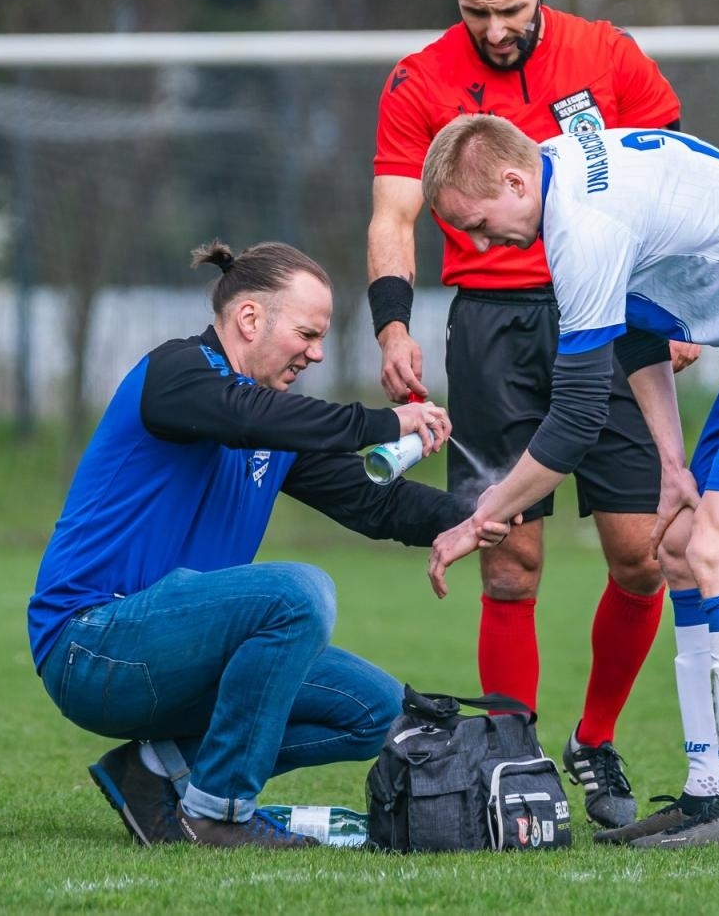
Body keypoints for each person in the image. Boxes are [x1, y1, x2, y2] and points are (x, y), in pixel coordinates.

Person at [421, 116, 719, 847]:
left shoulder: (583, 222)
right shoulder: (563, 168)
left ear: (512, 181)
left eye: (476, 223)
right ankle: (705, 790)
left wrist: (482, 516)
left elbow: (570, 425)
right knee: (678, 546)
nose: (478, 244)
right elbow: (639, 326)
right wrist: (671, 462)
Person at [367, 0, 697, 829]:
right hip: (490, 330)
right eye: (476, 11)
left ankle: (595, 738)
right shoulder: (418, 78)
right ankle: (514, 761)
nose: (496, 27)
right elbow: (394, 214)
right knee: (507, 561)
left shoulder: (610, 56)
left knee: (645, 556)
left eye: (510, 8)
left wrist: (674, 310)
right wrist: (392, 323)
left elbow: (668, 180)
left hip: (608, 320)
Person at [29, 240, 508, 849]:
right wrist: (385, 422)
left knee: (376, 711)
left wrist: (467, 516)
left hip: (178, 656)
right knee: (298, 593)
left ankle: (154, 773)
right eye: (307, 334)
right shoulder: (176, 374)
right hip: (90, 648)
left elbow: (372, 499)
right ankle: (218, 812)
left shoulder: (270, 418)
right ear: (250, 319)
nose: (316, 352)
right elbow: (244, 416)